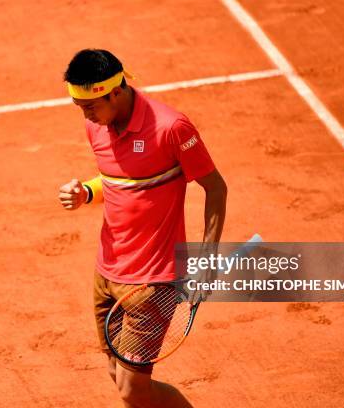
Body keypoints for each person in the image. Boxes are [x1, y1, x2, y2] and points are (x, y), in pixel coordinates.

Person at [58, 49, 227, 408]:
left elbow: (216, 187)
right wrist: (87, 193)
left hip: (153, 279)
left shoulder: (171, 128)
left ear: (115, 92)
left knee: (131, 391)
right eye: (79, 106)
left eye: (90, 106)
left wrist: (207, 260)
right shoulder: (96, 125)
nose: (85, 115)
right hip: (106, 273)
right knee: (117, 375)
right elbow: (119, 180)